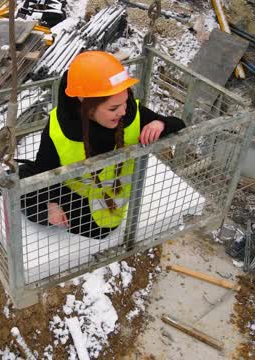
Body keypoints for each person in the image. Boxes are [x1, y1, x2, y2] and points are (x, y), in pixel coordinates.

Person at [19, 51, 186, 239]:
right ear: (85, 105)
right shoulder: (60, 126)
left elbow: (178, 124)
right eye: (113, 108)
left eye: (124, 102)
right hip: (72, 202)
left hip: (110, 209)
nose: (123, 111)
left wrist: (160, 124)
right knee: (28, 197)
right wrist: (49, 205)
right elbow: (44, 169)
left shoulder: (131, 113)